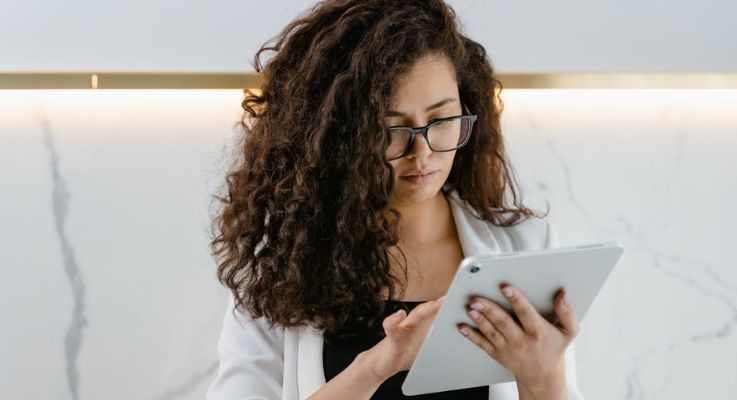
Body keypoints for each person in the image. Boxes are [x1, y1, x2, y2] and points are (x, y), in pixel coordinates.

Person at [206, 1, 585, 399]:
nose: (421, 154)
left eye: (441, 121)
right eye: (390, 130)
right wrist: (379, 364)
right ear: (337, 136)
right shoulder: (278, 263)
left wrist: (542, 376)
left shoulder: (527, 247)